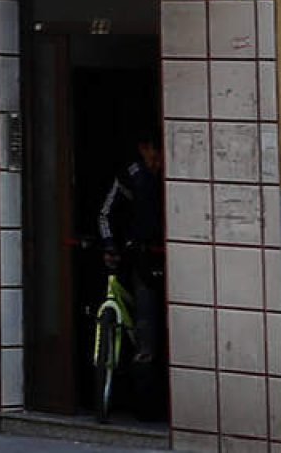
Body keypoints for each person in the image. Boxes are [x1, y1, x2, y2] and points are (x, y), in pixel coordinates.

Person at [98, 131, 165, 419]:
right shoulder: (132, 177)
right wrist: (110, 244)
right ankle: (146, 405)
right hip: (142, 261)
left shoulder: (171, 174)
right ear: (143, 148)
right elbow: (105, 214)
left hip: (167, 258)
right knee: (145, 326)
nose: (158, 160)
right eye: (154, 152)